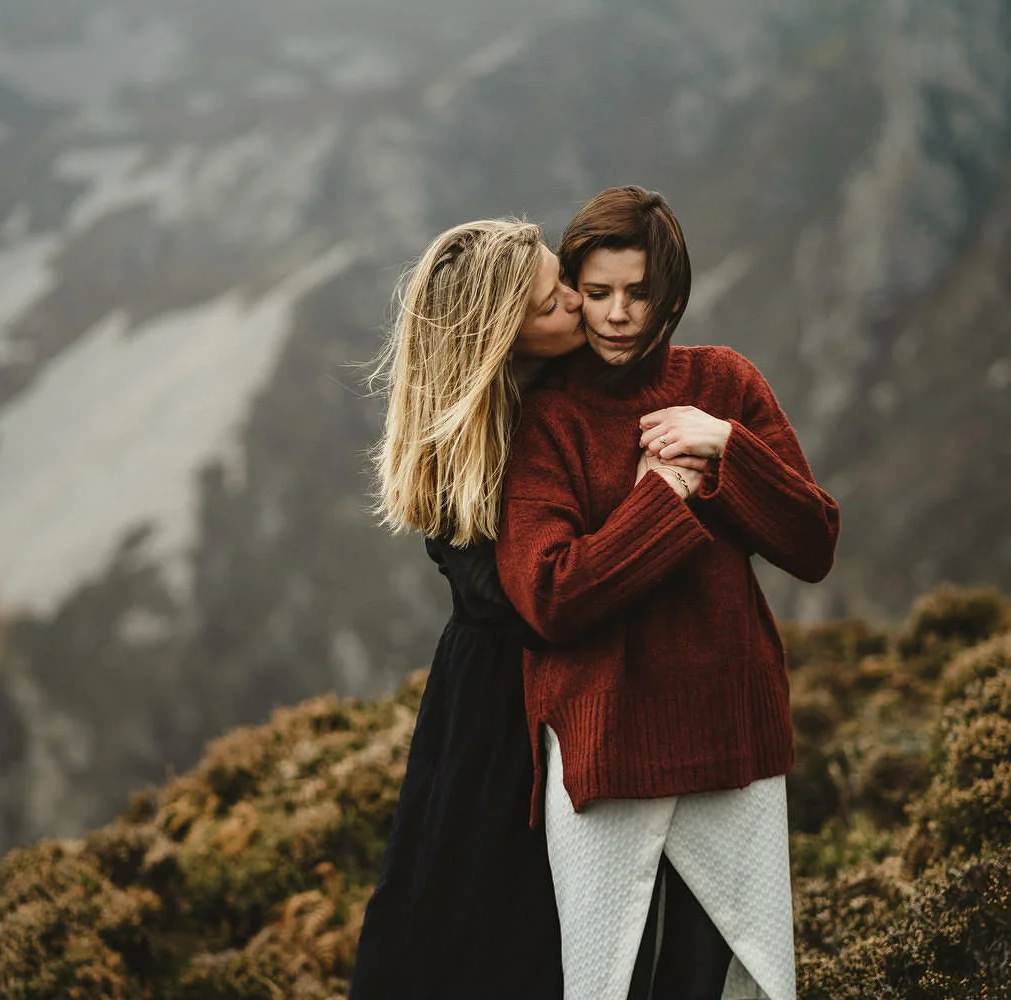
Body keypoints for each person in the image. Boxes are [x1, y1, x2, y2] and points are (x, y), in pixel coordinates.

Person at [495, 186, 840, 1000]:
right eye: (598, 291)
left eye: (638, 294)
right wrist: (661, 501)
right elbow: (550, 596)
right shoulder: (548, 418)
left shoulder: (725, 383)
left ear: (671, 294)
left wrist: (727, 446)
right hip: (608, 748)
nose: (616, 314)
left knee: (714, 977)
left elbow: (814, 542)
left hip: (730, 732)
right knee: (612, 979)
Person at [349, 218, 583, 999]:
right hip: (496, 706)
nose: (581, 303)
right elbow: (533, 604)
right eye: (555, 301)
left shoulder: (561, 392)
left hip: (523, 683)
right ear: (503, 338)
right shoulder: (463, 457)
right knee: (479, 915)